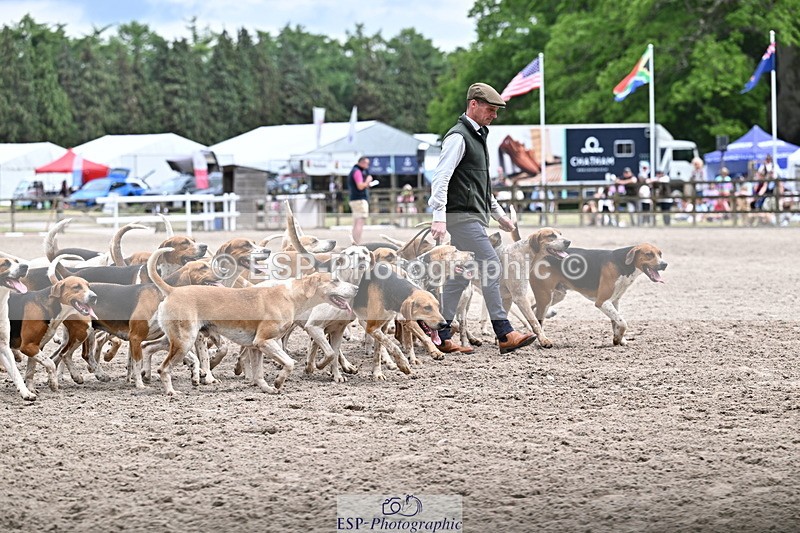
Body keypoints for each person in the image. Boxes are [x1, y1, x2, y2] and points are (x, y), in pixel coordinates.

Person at [429, 82, 536, 355]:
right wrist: (438, 216)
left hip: (473, 217)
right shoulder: (458, 137)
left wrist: (500, 216)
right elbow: (441, 178)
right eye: (490, 109)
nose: (494, 115)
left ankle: (440, 335)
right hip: (461, 218)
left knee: (459, 278)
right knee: (491, 264)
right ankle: (504, 332)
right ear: (473, 104)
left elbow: (481, 186)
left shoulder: (478, 136)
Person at [347, 156, 377, 244]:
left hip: (355, 199)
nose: (368, 165)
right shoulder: (357, 171)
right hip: (359, 199)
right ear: (362, 162)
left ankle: (354, 242)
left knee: (356, 223)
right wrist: (368, 181)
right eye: (367, 163)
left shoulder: (354, 170)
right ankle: (357, 243)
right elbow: (360, 186)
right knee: (359, 223)